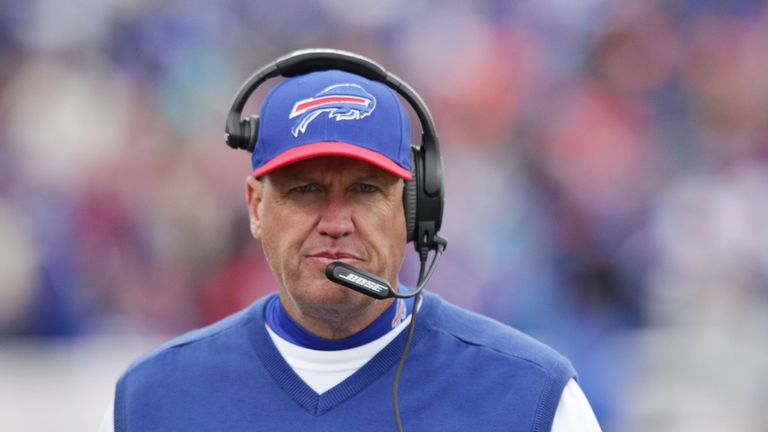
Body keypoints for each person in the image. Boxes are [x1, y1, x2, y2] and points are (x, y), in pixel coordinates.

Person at [99, 50, 602, 432]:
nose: (335, 221)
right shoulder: (150, 402)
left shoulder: (533, 398)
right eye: (306, 190)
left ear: (413, 210)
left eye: (364, 190)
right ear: (256, 207)